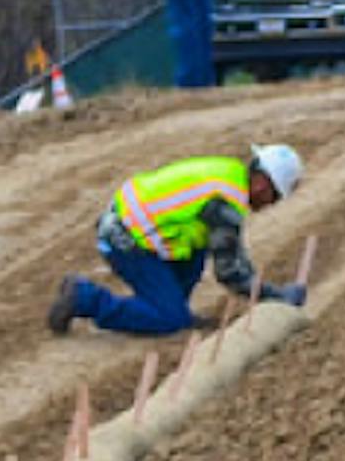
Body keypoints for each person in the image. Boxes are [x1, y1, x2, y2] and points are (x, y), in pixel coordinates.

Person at [47, 144, 306, 338]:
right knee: (170, 319)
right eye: (275, 197)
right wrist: (276, 296)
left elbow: (226, 249)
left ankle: (170, 303)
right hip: (128, 239)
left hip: (131, 220)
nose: (271, 205)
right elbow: (231, 273)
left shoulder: (228, 174)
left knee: (202, 242)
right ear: (262, 185)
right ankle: (85, 297)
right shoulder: (225, 203)